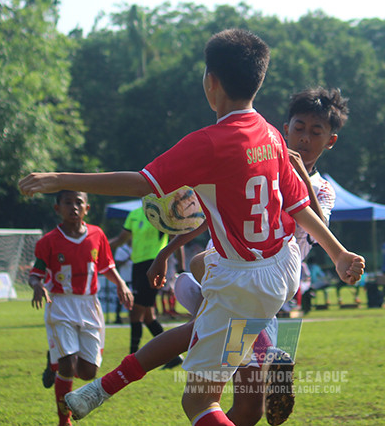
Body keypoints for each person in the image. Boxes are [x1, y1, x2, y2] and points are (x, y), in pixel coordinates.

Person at [19, 28, 365, 426]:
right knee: (202, 284)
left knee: (199, 403)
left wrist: (61, 178)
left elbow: (140, 183)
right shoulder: (270, 135)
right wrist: (339, 254)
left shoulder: (210, 142)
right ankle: (104, 387)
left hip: (244, 283)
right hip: (281, 270)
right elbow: (299, 207)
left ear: (211, 81)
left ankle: (246, 335)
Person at [29, 190, 133, 426]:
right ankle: (63, 420)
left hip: (89, 305)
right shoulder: (48, 242)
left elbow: (106, 266)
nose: (73, 207)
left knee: (88, 372)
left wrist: (121, 285)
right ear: (58, 208)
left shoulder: (97, 234)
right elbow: (35, 273)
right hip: (60, 303)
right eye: (67, 203)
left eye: (79, 203)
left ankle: (52, 361)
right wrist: (37, 285)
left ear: (87, 208)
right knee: (68, 364)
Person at [110, 204, 183, 366]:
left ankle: (131, 359)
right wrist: (100, 245)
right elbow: (121, 239)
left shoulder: (162, 212)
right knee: (149, 318)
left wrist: (182, 268)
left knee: (135, 314)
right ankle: (174, 357)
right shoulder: (134, 214)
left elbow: (177, 239)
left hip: (153, 266)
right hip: (138, 268)